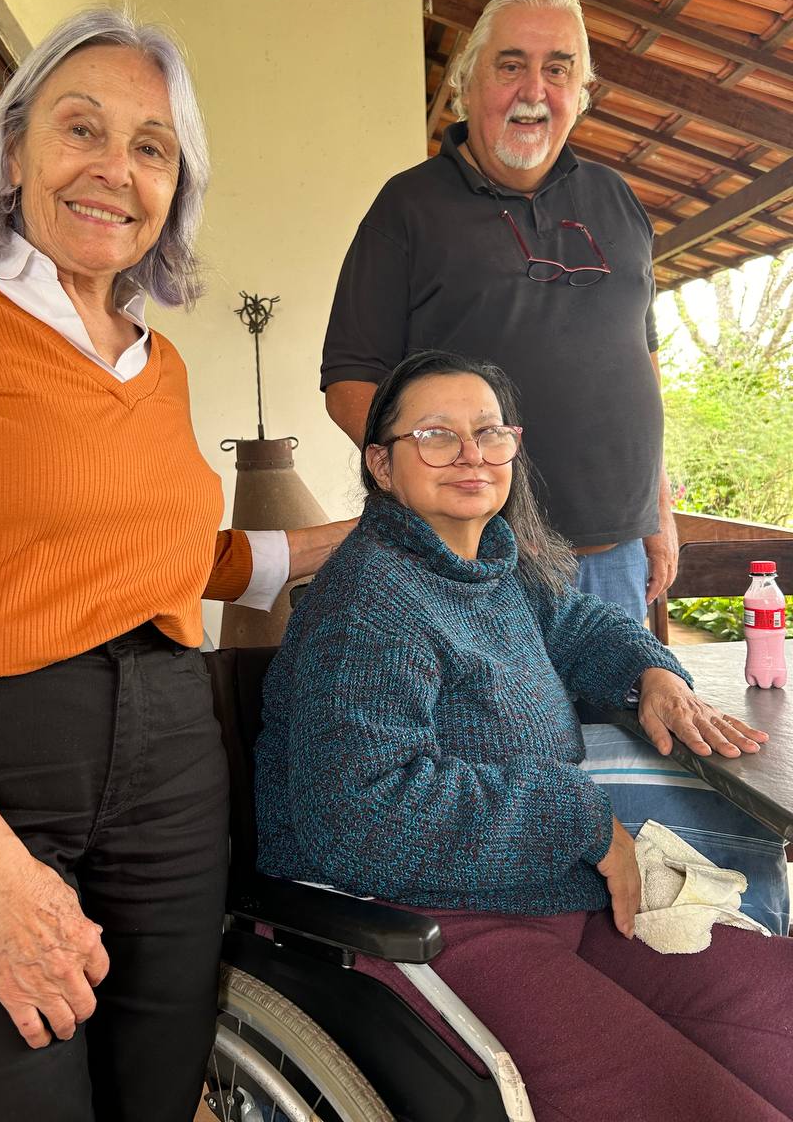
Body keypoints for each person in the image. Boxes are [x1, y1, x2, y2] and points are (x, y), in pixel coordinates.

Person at [0, 8, 352, 1122]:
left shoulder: (157, 364)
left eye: (152, 147)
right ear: (14, 149)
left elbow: (161, 556)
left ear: (176, 188)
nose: (116, 168)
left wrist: (334, 545)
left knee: (153, 1100)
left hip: (170, 777)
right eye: (82, 129)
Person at [254, 350, 793, 1122]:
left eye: (489, 432)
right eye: (435, 435)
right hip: (429, 923)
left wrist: (653, 673)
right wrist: (577, 818)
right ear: (381, 465)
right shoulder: (368, 604)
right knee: (703, 1104)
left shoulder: (488, 568)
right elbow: (357, 817)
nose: (470, 454)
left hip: (554, 895)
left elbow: (576, 623)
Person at [322, 0, 676, 624]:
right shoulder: (408, 207)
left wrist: (659, 509)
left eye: (558, 70)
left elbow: (640, 359)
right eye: (511, 66)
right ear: (467, 81)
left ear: (581, 92)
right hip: (476, 561)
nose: (534, 90)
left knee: (620, 696)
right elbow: (350, 382)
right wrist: (448, 498)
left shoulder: (617, 198)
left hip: (617, 557)